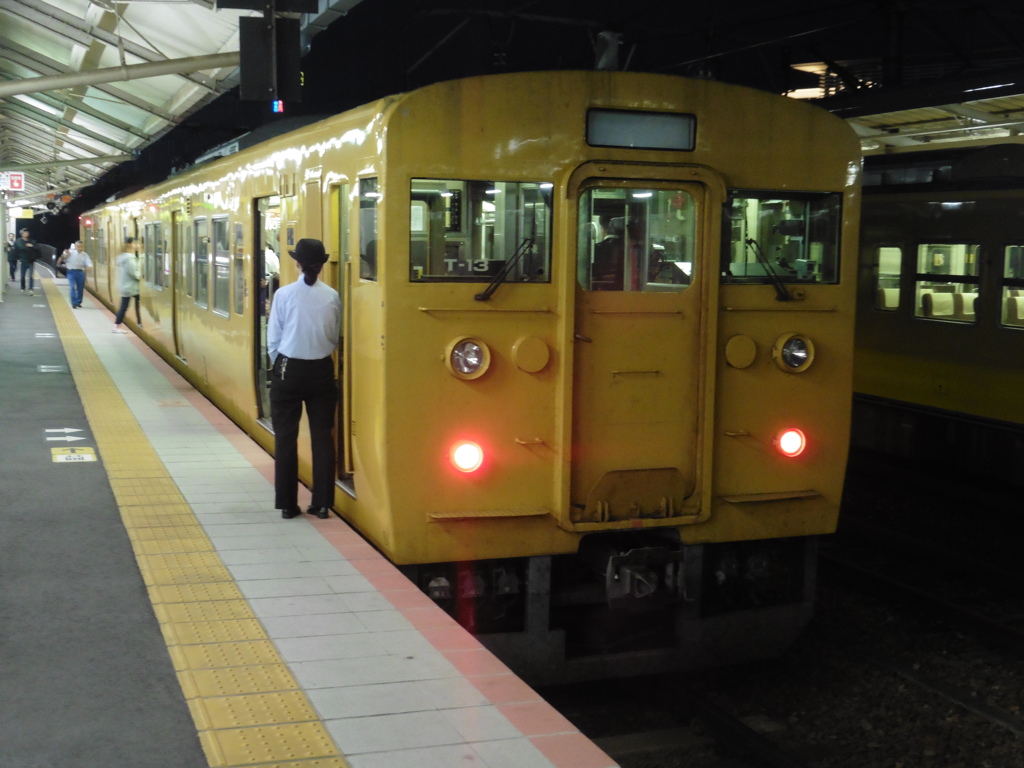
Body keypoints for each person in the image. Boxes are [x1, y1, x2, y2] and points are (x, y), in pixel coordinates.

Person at [267, 238, 341, 520]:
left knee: (286, 438)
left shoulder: (284, 295)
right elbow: (333, 337)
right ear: (322, 266)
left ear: (297, 263)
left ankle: (288, 505)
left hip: (288, 369)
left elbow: (273, 338)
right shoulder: (332, 296)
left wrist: (282, 363)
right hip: (321, 370)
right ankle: (322, 505)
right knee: (323, 438)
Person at [112, 237, 141, 333]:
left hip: (127, 286)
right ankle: (116, 326)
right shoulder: (129, 258)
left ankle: (117, 325)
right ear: (129, 245)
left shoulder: (124, 257)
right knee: (125, 306)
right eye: (135, 243)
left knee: (125, 306)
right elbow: (134, 273)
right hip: (131, 287)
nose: (137, 245)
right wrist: (142, 276)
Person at [64, 240, 93, 308]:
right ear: (75, 247)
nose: (80, 248)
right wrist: (66, 255)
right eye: (78, 247)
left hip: (80, 272)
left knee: (80, 288)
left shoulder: (85, 255)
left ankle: (78, 302)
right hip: (71, 272)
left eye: (81, 247)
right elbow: (64, 258)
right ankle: (74, 303)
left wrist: (89, 266)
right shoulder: (70, 253)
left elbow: (88, 262)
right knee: (72, 287)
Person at [13, 229, 38, 295]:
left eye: (27, 232)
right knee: (22, 276)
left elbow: (37, 248)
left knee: (31, 276)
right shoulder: (19, 241)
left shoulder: (32, 241)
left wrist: (31, 246)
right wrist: (18, 258)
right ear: (22, 234)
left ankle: (31, 289)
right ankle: (22, 288)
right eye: (25, 232)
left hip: (31, 261)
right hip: (23, 261)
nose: (27, 233)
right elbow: (16, 249)